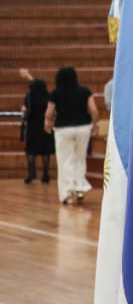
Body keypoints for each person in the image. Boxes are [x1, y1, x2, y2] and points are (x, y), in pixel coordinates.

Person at [43, 65, 99, 205]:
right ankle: (80, 188)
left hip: (63, 129)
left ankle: (67, 193)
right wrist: (95, 124)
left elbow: (49, 113)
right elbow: (94, 110)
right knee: (80, 158)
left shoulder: (55, 93)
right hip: (83, 128)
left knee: (65, 161)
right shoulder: (85, 91)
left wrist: (48, 122)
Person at [18, 68, 53, 184]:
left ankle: (31, 172)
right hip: (45, 126)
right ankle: (45, 174)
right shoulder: (47, 96)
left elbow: (25, 108)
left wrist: (28, 75)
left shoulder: (30, 96)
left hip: (33, 126)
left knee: (31, 151)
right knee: (45, 151)